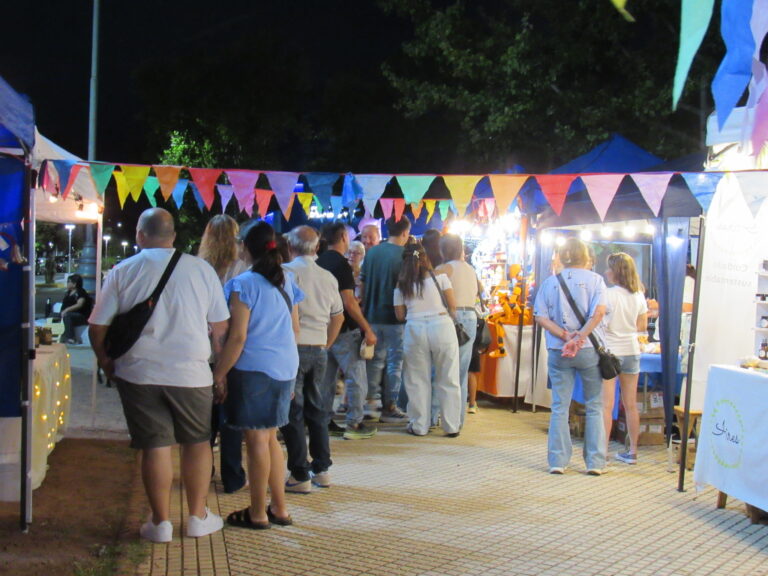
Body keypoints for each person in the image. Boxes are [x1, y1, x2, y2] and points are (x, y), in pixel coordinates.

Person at [89, 208, 229, 543]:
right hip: (192, 372)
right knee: (197, 443)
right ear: (174, 236)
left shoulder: (123, 270)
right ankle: (197, 517)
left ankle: (161, 523)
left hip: (138, 372)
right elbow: (220, 328)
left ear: (139, 234)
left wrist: (106, 361)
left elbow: (97, 327)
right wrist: (220, 373)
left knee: (155, 446)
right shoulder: (201, 270)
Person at [213, 221, 302, 530]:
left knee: (256, 441)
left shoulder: (243, 284)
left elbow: (237, 338)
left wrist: (219, 374)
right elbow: (295, 329)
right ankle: (279, 507)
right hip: (284, 367)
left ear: (246, 249)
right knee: (270, 438)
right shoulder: (285, 281)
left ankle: (257, 512)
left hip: (255, 370)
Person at [533, 237, 608, 476]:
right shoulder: (596, 280)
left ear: (563, 257)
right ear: (586, 256)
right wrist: (581, 336)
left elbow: (540, 317)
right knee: (595, 405)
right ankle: (595, 462)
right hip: (588, 351)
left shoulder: (550, 283)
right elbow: (598, 313)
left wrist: (566, 337)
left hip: (559, 349)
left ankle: (558, 461)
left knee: (559, 407)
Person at [281, 226, 344, 493]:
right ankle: (322, 469)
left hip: (292, 347)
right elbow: (338, 315)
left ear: (289, 246)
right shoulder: (327, 276)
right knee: (318, 409)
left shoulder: (285, 273)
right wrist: (326, 344)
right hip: (319, 346)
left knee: (293, 412)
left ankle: (299, 473)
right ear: (317, 247)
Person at [197, 215, 249, 493]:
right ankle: (232, 476)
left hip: (203, 344)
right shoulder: (242, 266)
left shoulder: (199, 266)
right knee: (229, 415)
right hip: (233, 344)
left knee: (204, 416)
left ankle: (203, 472)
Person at [316, 223, 379, 440]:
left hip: (323, 329)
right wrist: (367, 328)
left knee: (326, 380)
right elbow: (349, 302)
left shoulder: (319, 261)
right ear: (343, 237)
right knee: (356, 377)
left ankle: (323, 421)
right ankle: (354, 423)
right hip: (344, 330)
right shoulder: (341, 265)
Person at [394, 243, 461, 436]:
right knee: (448, 377)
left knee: (416, 379)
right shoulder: (441, 278)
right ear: (426, 258)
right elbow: (453, 307)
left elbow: (399, 315)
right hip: (441, 326)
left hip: (415, 329)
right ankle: (451, 426)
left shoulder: (401, 285)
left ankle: (419, 425)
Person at [361, 216, 412, 422]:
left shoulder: (372, 253)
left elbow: (362, 284)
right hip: (396, 318)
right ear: (405, 232)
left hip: (372, 315)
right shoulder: (405, 256)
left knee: (374, 361)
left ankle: (370, 404)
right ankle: (390, 404)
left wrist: (365, 310)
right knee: (395, 363)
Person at [601, 252, 648, 465]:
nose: (606, 271)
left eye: (609, 267)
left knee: (606, 404)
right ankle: (633, 451)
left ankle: (602, 451)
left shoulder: (608, 295)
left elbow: (601, 323)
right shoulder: (638, 295)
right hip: (632, 351)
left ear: (615, 271)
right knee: (630, 404)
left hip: (611, 351)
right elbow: (642, 327)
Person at [437, 234, 483, 424]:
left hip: (451, 316)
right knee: (462, 372)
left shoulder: (444, 269)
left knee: (442, 368)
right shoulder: (470, 269)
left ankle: (436, 416)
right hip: (471, 317)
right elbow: (480, 290)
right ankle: (458, 419)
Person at [60, 273, 92, 344]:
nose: (67, 283)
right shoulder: (68, 293)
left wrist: (66, 310)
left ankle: (71, 337)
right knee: (51, 315)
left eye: (69, 282)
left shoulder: (81, 292)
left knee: (67, 315)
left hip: (80, 316)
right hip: (67, 313)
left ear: (74, 284)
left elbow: (79, 304)